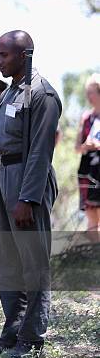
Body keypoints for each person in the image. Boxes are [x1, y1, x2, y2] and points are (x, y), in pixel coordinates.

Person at [0, 30, 62, 358]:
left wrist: (28, 198)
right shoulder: (10, 92)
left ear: (25, 55)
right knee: (7, 263)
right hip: (4, 176)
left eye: (5, 56)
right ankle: (12, 334)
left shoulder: (42, 94)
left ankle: (33, 339)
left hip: (29, 178)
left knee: (33, 264)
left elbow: (41, 151)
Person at [75, 73, 100, 236]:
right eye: (87, 92)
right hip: (87, 171)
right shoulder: (86, 118)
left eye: (91, 92)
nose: (88, 96)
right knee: (91, 218)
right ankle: (93, 258)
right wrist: (86, 146)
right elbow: (77, 147)